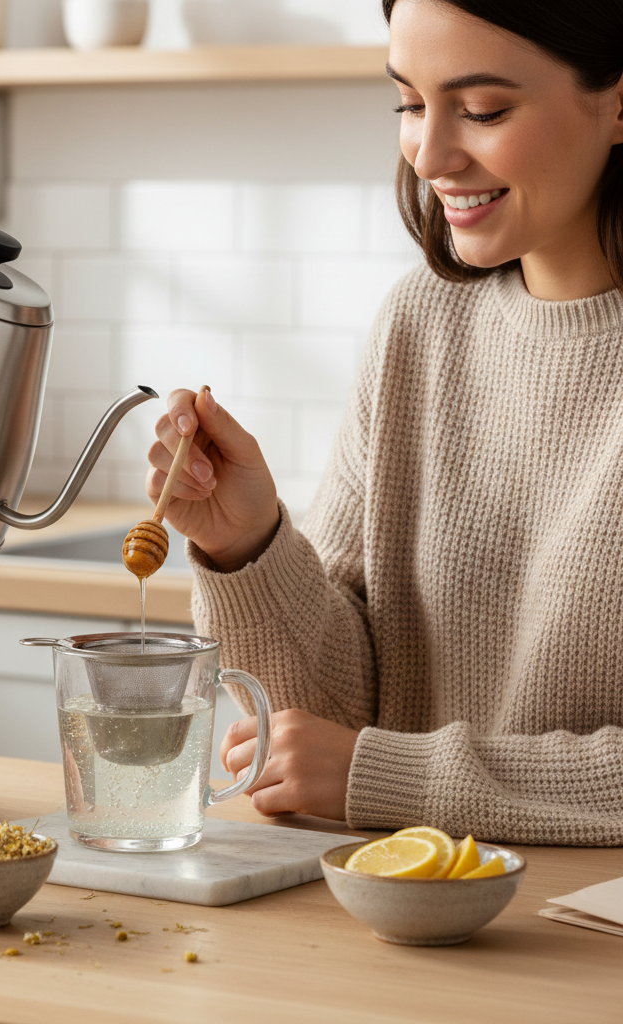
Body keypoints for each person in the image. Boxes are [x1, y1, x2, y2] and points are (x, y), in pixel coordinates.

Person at [146, 0, 623, 845]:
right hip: (396, 899)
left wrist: (397, 778)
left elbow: (360, 764)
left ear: (617, 100)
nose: (429, 155)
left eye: (484, 110)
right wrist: (247, 546)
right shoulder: (421, 322)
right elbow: (322, 728)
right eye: (409, 103)